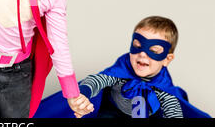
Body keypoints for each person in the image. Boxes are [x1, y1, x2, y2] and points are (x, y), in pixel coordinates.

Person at [34, 16, 211, 118]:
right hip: (114, 114)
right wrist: (84, 93)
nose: (143, 54)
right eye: (137, 46)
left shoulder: (164, 86)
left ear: (167, 59)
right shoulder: (122, 69)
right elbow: (98, 80)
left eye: (154, 50)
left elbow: (173, 110)